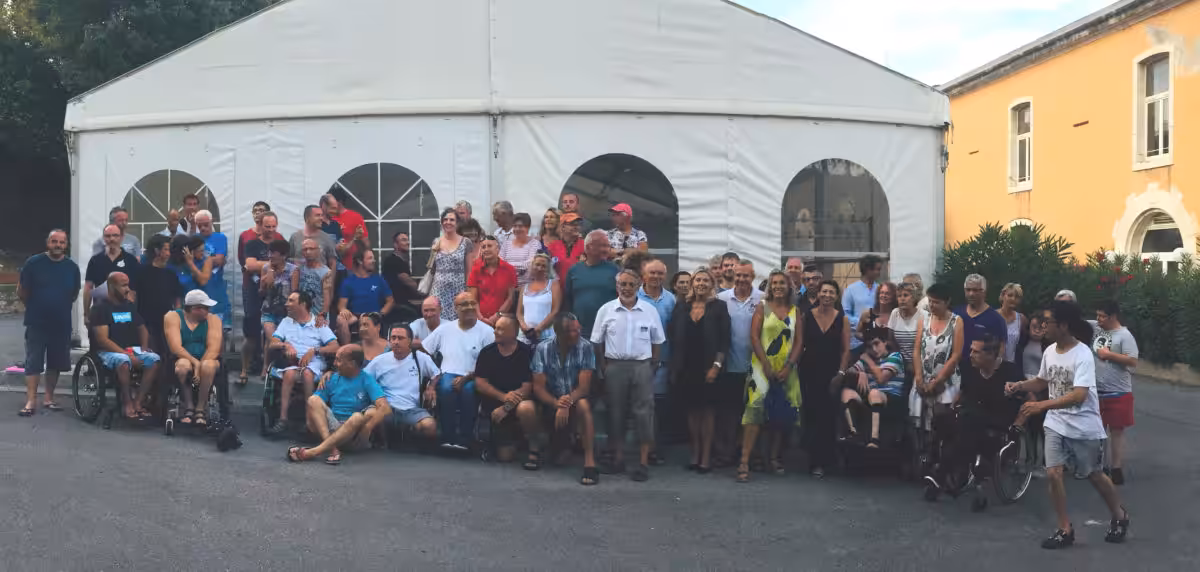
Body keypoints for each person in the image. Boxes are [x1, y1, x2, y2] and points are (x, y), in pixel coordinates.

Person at [1007, 301, 1130, 549]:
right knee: (1053, 473)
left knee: (1094, 475)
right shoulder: (1050, 351)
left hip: (1084, 426)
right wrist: (1019, 385)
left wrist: (1041, 405)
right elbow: (1042, 381)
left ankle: (1119, 515)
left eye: (1047, 322)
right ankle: (1065, 529)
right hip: (1056, 423)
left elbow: (1079, 395)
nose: (1043, 326)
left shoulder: (1082, 354)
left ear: (1063, 325)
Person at [926, 334, 1022, 501]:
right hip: (971, 416)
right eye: (971, 350)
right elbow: (963, 392)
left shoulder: (1011, 372)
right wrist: (952, 408)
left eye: (976, 352)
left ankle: (943, 473)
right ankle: (943, 465)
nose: (970, 355)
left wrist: (1019, 425)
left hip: (998, 420)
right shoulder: (970, 369)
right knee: (942, 418)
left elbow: (1029, 401)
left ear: (991, 355)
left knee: (968, 422)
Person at [591, 269, 665, 481]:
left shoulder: (649, 311)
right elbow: (597, 341)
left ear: (638, 286)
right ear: (617, 286)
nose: (627, 288)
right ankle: (618, 459)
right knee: (616, 413)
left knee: (644, 413)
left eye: (631, 284)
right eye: (623, 284)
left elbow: (657, 341)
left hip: (642, 366)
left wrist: (652, 365)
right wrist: (604, 366)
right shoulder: (606, 310)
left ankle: (643, 462)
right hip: (615, 367)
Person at [738, 270, 803, 482]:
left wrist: (789, 366)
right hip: (762, 367)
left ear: (789, 286)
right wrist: (765, 364)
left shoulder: (795, 311)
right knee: (754, 411)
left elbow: (799, 342)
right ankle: (744, 461)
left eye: (782, 283)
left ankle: (773, 458)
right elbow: (754, 337)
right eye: (774, 283)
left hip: (786, 368)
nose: (777, 286)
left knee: (780, 413)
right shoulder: (762, 307)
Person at [527, 312, 600, 484]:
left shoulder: (586, 347)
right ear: (560, 333)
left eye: (578, 329)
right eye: (573, 331)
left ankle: (590, 463)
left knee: (583, 405)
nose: (578, 333)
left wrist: (567, 402)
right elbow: (538, 387)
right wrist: (556, 403)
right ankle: (546, 446)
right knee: (559, 460)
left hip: (576, 397)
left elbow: (584, 387)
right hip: (551, 399)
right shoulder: (543, 349)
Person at [669, 268, 730, 473]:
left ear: (712, 284)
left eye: (705, 280)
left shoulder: (719, 307)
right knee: (692, 413)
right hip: (686, 367)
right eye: (697, 280)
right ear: (692, 284)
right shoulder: (681, 307)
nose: (701, 283)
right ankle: (694, 452)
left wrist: (716, 366)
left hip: (710, 367)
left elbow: (724, 341)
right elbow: (673, 335)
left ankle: (705, 456)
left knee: (708, 413)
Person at [287, 345, 390, 465]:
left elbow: (385, 408)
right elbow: (314, 408)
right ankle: (331, 448)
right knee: (313, 400)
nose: (334, 363)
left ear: (352, 364)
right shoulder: (332, 378)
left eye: (338, 360)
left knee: (359, 416)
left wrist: (368, 427)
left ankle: (314, 452)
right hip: (331, 428)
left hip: (353, 436)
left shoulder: (367, 380)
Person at [420, 292, 496, 448]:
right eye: (464, 304)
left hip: (475, 375)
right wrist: (432, 378)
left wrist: (468, 377)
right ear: (455, 308)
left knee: (468, 391)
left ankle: (465, 438)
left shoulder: (487, 332)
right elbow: (424, 351)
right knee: (447, 388)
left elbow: (491, 363)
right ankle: (447, 437)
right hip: (447, 373)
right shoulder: (445, 329)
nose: (469, 307)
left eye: (472, 303)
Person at [18, 230, 80, 417]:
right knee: (33, 361)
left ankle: (49, 398)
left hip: (61, 323)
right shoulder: (33, 263)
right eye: (54, 241)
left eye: (61, 242)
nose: (58, 245)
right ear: (48, 243)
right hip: (37, 322)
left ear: (66, 245)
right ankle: (31, 401)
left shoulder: (72, 267)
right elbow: (22, 291)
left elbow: (74, 293)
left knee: (56, 362)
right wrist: (36, 306)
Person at [796, 279, 852, 478]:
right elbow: (799, 344)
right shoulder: (806, 316)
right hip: (809, 372)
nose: (827, 295)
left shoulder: (842, 319)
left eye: (831, 292)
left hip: (832, 373)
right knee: (811, 415)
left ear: (836, 296)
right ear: (818, 294)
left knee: (828, 416)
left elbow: (846, 350)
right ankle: (814, 461)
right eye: (824, 291)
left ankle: (827, 459)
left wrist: (841, 373)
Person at [89, 272, 161, 420]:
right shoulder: (100, 308)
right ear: (111, 286)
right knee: (123, 361)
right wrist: (126, 354)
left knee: (154, 359)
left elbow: (142, 328)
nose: (128, 289)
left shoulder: (128, 306)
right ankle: (127, 403)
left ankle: (138, 401)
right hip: (106, 351)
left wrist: (144, 347)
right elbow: (102, 340)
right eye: (123, 285)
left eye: (128, 285)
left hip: (129, 348)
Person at [266, 291, 340, 435]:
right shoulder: (286, 322)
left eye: (291, 301)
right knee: (289, 373)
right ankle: (283, 419)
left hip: (314, 362)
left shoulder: (318, 323)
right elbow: (273, 343)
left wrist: (314, 350)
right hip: (292, 362)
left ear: (303, 304)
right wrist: (286, 345)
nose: (286, 304)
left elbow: (335, 347)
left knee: (307, 373)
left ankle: (309, 420)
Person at [715, 261, 763, 466]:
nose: (742, 279)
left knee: (752, 413)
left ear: (753, 277)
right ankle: (727, 453)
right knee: (729, 412)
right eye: (739, 275)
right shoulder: (721, 298)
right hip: (730, 365)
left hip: (756, 366)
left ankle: (749, 454)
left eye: (746, 276)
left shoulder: (762, 299)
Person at [1090, 300, 1139, 486]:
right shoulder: (1097, 329)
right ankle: (1099, 466)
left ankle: (1116, 468)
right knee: (1097, 431)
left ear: (1112, 317)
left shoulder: (1125, 335)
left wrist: (1109, 355)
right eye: (1097, 315)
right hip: (1097, 390)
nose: (1098, 319)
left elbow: (1132, 361)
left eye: (1102, 316)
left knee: (1116, 431)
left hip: (1118, 391)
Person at [366, 324, 440, 443]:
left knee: (429, 426)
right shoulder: (380, 360)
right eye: (393, 338)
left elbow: (436, 374)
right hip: (385, 407)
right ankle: (382, 442)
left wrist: (431, 388)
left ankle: (408, 438)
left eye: (400, 338)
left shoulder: (420, 358)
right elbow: (364, 378)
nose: (396, 342)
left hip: (411, 409)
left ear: (409, 341)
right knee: (370, 414)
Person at [474, 316, 534, 462]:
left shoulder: (526, 352)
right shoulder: (487, 352)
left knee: (527, 408)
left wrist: (506, 407)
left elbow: (527, 387)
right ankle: (511, 439)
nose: (495, 332)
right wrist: (503, 397)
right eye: (495, 328)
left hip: (517, 404)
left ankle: (533, 444)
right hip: (494, 406)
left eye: (500, 329)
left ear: (513, 333)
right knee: (505, 457)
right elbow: (480, 383)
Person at [836, 330, 906, 448]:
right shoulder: (867, 359)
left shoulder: (895, 356)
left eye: (877, 344)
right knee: (846, 393)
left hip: (891, 396)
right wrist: (860, 374)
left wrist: (868, 361)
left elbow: (881, 379)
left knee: (874, 393)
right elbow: (849, 372)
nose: (874, 349)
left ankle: (874, 440)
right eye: (870, 346)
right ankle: (854, 434)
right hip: (870, 397)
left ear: (885, 342)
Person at [163, 290, 223, 427]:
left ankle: (201, 408)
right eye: (205, 308)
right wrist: (195, 363)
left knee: (208, 365)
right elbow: (175, 347)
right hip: (182, 357)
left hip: (207, 358)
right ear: (195, 309)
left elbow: (214, 349)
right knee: (183, 366)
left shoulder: (213, 319)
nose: (209, 310)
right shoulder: (172, 317)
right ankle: (189, 406)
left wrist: (199, 366)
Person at [637, 259, 676, 463]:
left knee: (658, 407)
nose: (656, 277)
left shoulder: (671, 300)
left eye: (660, 273)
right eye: (652, 273)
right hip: (638, 361)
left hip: (662, 362)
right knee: (641, 406)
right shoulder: (634, 297)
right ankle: (642, 448)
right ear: (644, 275)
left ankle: (654, 449)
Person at [912, 283, 966, 426]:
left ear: (947, 302)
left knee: (942, 423)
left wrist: (937, 381)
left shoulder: (957, 321)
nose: (932, 305)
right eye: (930, 301)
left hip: (946, 381)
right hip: (923, 378)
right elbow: (916, 350)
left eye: (936, 302)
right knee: (918, 423)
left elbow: (956, 355)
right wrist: (918, 377)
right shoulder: (923, 320)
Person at [240, 210, 279, 383]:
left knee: (271, 332)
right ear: (260, 226)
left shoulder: (280, 242)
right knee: (251, 333)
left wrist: (260, 265)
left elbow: (287, 264)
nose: (270, 230)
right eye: (267, 226)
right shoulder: (252, 244)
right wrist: (273, 264)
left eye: (273, 226)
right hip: (253, 292)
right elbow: (250, 265)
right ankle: (244, 369)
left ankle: (266, 368)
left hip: (275, 294)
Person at [563, 230, 619, 338]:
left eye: (608, 246)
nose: (606, 250)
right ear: (588, 247)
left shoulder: (614, 270)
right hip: (580, 331)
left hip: (608, 330)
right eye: (602, 246)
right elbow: (568, 300)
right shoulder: (574, 270)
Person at [84, 224, 140, 322]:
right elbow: (88, 287)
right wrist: (86, 314)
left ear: (121, 237)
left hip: (123, 314)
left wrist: (134, 313)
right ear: (103, 238)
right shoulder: (95, 261)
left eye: (115, 235)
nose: (111, 239)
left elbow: (136, 289)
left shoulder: (131, 261)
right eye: (108, 236)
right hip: (100, 313)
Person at [336, 249, 394, 343]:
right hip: (356, 316)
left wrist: (381, 314)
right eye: (370, 258)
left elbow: (390, 301)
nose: (373, 261)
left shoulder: (378, 280)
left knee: (370, 321)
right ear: (360, 261)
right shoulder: (348, 282)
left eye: (373, 258)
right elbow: (341, 305)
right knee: (340, 320)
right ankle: (347, 348)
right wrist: (343, 310)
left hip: (374, 316)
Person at [137, 235, 184, 350]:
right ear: (157, 251)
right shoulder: (142, 272)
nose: (168, 253)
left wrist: (177, 317)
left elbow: (177, 299)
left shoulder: (171, 274)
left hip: (166, 321)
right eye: (166, 249)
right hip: (146, 321)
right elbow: (134, 295)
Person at [260, 239, 298, 375]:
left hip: (285, 312)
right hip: (268, 311)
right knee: (271, 338)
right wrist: (266, 280)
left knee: (281, 339)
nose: (270, 256)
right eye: (269, 252)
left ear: (283, 255)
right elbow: (261, 293)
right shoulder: (265, 268)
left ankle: (282, 365)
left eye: (273, 253)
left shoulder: (293, 270)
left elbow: (294, 293)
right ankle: (266, 366)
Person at [429, 208, 474, 321]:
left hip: (458, 289)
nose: (448, 222)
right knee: (438, 320)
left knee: (457, 320)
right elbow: (432, 267)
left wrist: (467, 291)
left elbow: (469, 270)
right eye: (445, 219)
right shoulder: (436, 241)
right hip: (438, 289)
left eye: (452, 220)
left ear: (457, 223)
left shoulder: (466, 242)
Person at [467, 235, 517, 327]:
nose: (486, 249)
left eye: (489, 246)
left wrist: (497, 315)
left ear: (498, 249)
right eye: (483, 247)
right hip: (480, 320)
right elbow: (473, 298)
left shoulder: (509, 269)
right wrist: (481, 318)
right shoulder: (476, 269)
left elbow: (510, 298)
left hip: (502, 320)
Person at [954, 274, 1008, 358]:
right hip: (956, 364)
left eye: (975, 290)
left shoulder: (996, 319)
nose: (971, 294)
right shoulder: (956, 313)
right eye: (968, 290)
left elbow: (1001, 348)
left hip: (982, 365)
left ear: (984, 292)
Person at [193, 210, 230, 328]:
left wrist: (200, 260)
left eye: (205, 225)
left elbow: (220, 259)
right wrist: (212, 260)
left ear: (211, 222)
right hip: (198, 285)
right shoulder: (193, 238)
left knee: (218, 324)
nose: (203, 228)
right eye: (199, 226)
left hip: (216, 285)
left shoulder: (220, 237)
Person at [516, 253, 560, 345]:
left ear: (548, 269)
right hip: (524, 336)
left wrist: (539, 328)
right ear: (532, 266)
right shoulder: (524, 288)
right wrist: (524, 327)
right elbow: (519, 313)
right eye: (537, 264)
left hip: (546, 336)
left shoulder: (553, 285)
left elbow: (555, 310)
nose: (540, 268)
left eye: (543, 266)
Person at [842, 254, 882, 350]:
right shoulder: (851, 289)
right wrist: (861, 322)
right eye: (877, 269)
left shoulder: (880, 289)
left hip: (877, 342)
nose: (879, 273)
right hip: (856, 342)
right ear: (868, 269)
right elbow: (845, 314)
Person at [324, 191, 369, 274]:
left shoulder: (355, 217)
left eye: (330, 202)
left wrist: (365, 263)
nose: (328, 206)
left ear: (339, 202)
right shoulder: (327, 219)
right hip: (328, 265)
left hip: (350, 265)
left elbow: (365, 243)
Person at [381, 231, 421, 323]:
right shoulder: (393, 260)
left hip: (403, 301)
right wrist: (423, 291)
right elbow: (407, 281)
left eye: (407, 240)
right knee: (418, 313)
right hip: (395, 304)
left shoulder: (401, 261)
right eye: (403, 240)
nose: (407, 242)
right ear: (395, 244)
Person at [499, 213, 542, 289]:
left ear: (528, 228)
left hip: (527, 288)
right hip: (507, 288)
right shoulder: (506, 244)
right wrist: (519, 269)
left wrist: (508, 268)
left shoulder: (535, 244)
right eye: (515, 226)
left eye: (520, 226)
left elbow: (530, 264)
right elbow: (499, 264)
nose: (517, 229)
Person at [297, 238, 334, 324]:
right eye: (305, 249)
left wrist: (323, 314)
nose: (308, 252)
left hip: (318, 315)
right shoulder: (298, 269)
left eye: (311, 249)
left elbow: (327, 296)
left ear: (318, 251)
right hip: (301, 314)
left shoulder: (326, 272)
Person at [889, 282, 926, 368]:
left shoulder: (924, 315)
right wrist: (901, 361)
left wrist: (915, 365)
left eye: (905, 295)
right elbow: (891, 340)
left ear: (913, 298)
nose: (902, 299)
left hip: (920, 364)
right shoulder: (895, 313)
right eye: (899, 296)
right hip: (899, 363)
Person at [289, 205, 338, 270]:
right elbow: (289, 260)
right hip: (299, 275)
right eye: (318, 215)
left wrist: (331, 276)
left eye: (322, 215)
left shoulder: (327, 238)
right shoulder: (295, 237)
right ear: (307, 218)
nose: (321, 218)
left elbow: (332, 263)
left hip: (321, 276)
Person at [546, 212, 585, 280]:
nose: (576, 227)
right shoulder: (552, 247)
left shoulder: (586, 245)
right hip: (558, 285)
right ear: (563, 227)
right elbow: (547, 271)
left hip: (579, 285)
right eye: (572, 224)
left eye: (578, 224)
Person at [998, 283, 1027, 365]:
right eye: (1010, 295)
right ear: (1003, 296)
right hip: (991, 364)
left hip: (1011, 365)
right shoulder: (992, 316)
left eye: (1017, 297)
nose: (1013, 299)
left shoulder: (1021, 319)